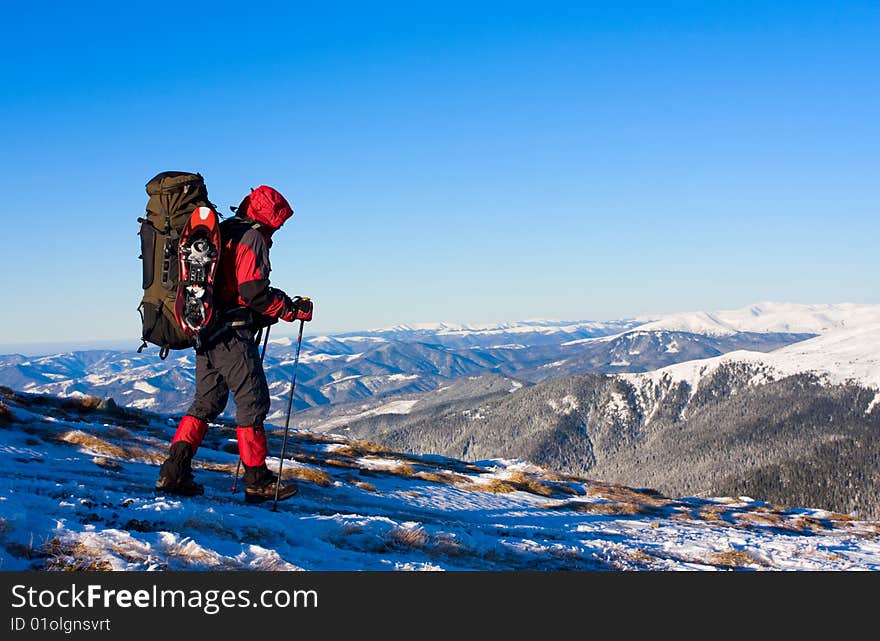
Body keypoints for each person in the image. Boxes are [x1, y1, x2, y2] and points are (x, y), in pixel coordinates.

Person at [155, 185, 313, 503]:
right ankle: (257, 481)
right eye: (278, 222)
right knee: (253, 402)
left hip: (204, 327)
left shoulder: (223, 230)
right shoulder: (252, 236)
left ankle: (174, 473)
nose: (278, 230)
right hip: (232, 334)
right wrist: (288, 309)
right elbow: (252, 290)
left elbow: (230, 286)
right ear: (270, 216)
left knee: (207, 403)